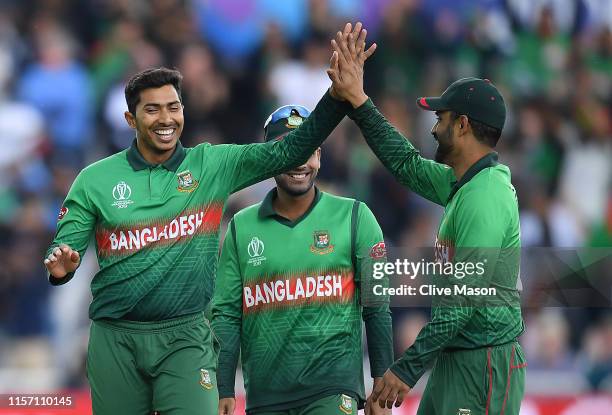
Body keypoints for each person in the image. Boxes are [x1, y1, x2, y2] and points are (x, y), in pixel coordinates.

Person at [42, 64, 354, 415]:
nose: (166, 119)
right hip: (116, 340)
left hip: (186, 337)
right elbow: (65, 246)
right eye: (152, 109)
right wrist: (62, 266)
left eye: (173, 107)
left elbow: (287, 152)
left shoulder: (211, 165)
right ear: (131, 119)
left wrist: (336, 98)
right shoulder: (94, 179)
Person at [327, 25, 526, 415]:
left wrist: (405, 370)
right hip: (458, 356)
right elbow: (404, 163)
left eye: (441, 118)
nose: (434, 128)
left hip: (483, 363)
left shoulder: (484, 198)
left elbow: (462, 302)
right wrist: (357, 100)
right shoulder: (463, 182)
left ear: (463, 125)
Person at [212, 103, 393, 415]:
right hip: (265, 397)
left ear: (319, 157)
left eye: (308, 149)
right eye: (289, 149)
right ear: (269, 157)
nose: (300, 160)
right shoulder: (241, 228)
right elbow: (227, 315)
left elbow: (377, 308)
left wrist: (382, 384)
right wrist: (224, 387)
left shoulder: (354, 216)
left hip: (333, 391)